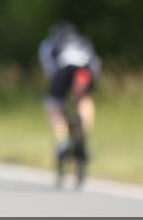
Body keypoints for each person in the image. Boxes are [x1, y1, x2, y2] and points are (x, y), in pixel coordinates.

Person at [38, 22, 102, 163]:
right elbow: (96, 63)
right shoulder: (83, 42)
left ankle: (63, 141)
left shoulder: (49, 43)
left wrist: (57, 89)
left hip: (63, 71)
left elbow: (50, 68)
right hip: (85, 71)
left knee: (53, 107)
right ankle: (83, 136)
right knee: (85, 100)